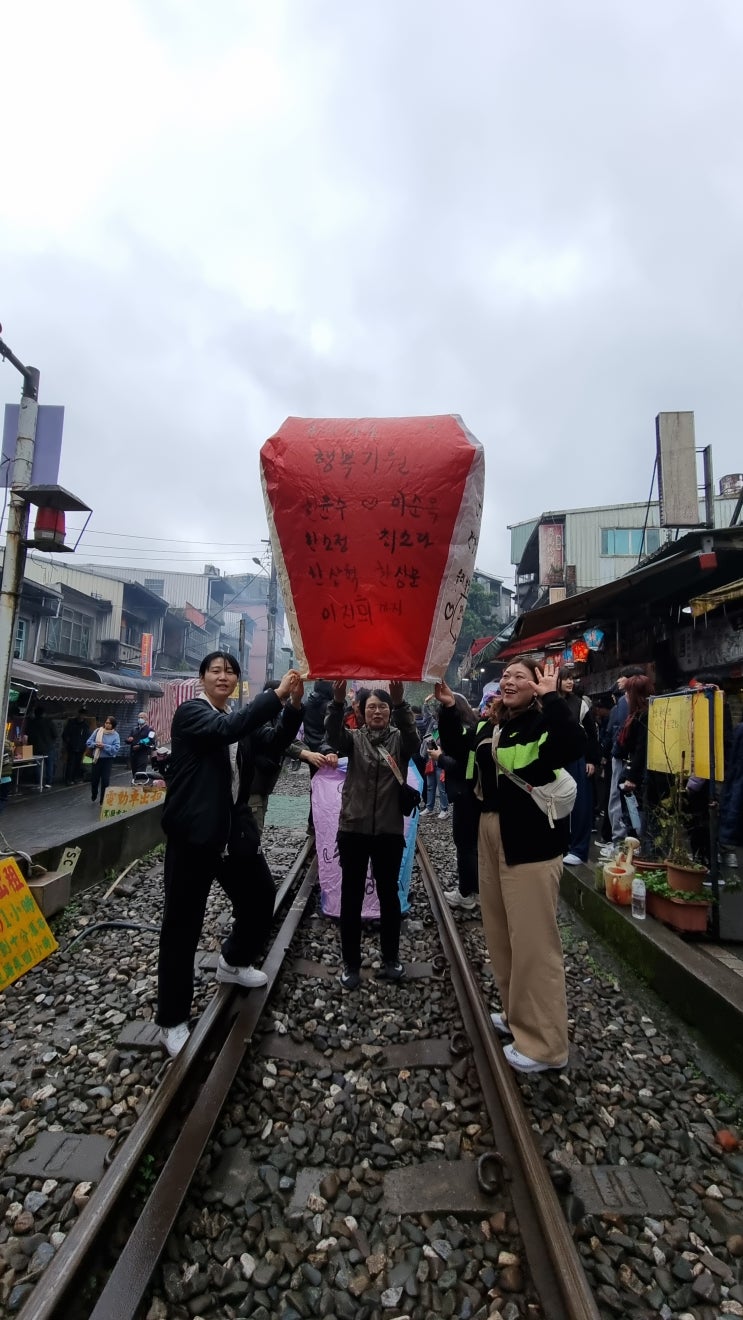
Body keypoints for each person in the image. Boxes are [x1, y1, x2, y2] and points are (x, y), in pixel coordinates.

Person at [437, 657, 585, 1074]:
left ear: (536, 685)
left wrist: (553, 699)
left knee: (534, 941)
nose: (509, 680)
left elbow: (573, 745)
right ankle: (516, 1015)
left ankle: (545, 1045)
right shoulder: (492, 725)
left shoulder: (544, 722)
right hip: (492, 829)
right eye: (506, 675)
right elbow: (458, 748)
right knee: (501, 932)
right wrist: (448, 709)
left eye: (521, 676)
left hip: (532, 841)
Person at [156, 652, 302, 1056]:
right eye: (216, 671)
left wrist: (294, 706)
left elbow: (274, 741)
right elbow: (227, 729)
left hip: (232, 832)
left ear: (237, 680)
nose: (223, 676)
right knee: (182, 926)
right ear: (202, 677)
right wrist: (276, 694)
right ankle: (171, 1020)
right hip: (194, 836)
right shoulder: (192, 713)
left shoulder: (235, 719)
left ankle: (234, 961)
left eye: (230, 671)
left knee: (260, 896)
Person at [324, 681, 420, 988]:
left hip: (389, 831)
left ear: (390, 712)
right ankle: (351, 964)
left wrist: (402, 704)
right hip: (353, 829)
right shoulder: (353, 739)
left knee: (389, 896)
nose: (377, 712)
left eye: (383, 707)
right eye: (371, 707)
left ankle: (391, 959)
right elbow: (333, 736)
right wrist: (337, 702)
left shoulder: (400, 740)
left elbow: (414, 741)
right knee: (351, 897)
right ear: (362, 712)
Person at [246, 680, 313, 833]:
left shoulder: (273, 716)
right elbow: (276, 740)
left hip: (263, 784)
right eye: (282, 698)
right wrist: (304, 754)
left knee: (257, 825)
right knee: (253, 831)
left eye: (286, 699)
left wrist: (308, 752)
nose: (283, 704)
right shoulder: (257, 717)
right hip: (253, 784)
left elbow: (288, 739)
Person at [438, 692, 481, 911]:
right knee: (474, 845)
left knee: (465, 845)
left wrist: (439, 758)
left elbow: (460, 765)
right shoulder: (476, 726)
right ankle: (478, 890)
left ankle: (466, 893)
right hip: (477, 793)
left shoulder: (464, 732)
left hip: (466, 794)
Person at [557, 667, 600, 866]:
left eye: (571, 679)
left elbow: (592, 735)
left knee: (579, 804)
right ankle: (561, 845)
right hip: (555, 760)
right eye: (565, 678)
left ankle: (579, 849)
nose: (570, 682)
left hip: (576, 759)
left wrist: (592, 760)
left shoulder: (580, 704)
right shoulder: (546, 702)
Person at [86, 716, 121, 805]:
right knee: (94, 780)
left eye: (109, 723)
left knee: (105, 781)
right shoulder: (98, 731)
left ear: (113, 725)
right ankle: (94, 793)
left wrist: (104, 746)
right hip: (97, 759)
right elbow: (89, 742)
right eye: (106, 723)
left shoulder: (115, 735)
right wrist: (96, 744)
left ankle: (103, 800)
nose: (107, 725)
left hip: (107, 760)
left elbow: (115, 749)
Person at [420, 714, 450, 819]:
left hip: (441, 762)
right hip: (430, 761)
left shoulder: (447, 731)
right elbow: (426, 716)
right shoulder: (432, 728)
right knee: (430, 786)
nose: (436, 720)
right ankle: (429, 807)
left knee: (442, 788)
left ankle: (444, 809)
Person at [27, 707, 58, 787]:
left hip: (36, 748)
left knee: (37, 765)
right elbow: (55, 734)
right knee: (49, 765)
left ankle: (38, 783)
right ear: (44, 714)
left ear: (35, 714)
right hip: (48, 747)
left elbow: (27, 734)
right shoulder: (49, 722)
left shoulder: (31, 723)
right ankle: (48, 782)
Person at [63, 708, 90, 784]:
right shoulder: (71, 723)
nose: (82, 716)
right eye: (81, 714)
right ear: (78, 714)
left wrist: (85, 745)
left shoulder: (85, 725)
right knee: (70, 763)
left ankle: (75, 778)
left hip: (81, 748)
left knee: (78, 764)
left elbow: (87, 736)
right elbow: (65, 734)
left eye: (84, 715)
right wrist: (68, 741)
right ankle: (68, 779)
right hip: (71, 746)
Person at [126, 712, 157, 776]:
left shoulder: (150, 730)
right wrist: (128, 740)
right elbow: (127, 739)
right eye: (139, 717)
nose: (140, 719)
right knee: (134, 773)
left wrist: (140, 745)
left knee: (140, 773)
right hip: (133, 754)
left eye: (142, 717)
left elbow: (151, 740)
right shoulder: (134, 729)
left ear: (146, 719)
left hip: (143, 754)